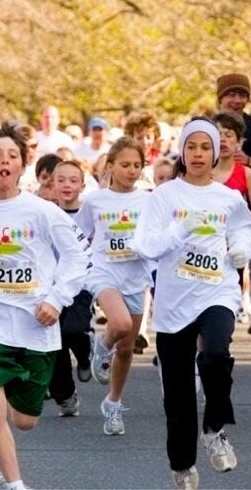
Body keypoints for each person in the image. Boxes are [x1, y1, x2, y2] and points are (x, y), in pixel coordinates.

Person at [0, 123, 89, 490]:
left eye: (12, 156)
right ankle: (15, 485)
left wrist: (57, 300)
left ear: (22, 166)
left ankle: (11, 388)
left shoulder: (42, 212)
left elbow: (76, 259)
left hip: (35, 324)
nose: (4, 161)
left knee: (25, 420)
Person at [131, 118, 251, 490]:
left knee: (216, 355)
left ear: (216, 152)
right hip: (173, 302)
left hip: (217, 292)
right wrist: (180, 228)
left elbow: (242, 226)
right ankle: (182, 465)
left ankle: (215, 429)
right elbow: (145, 245)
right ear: (182, 152)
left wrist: (241, 248)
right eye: (191, 146)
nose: (198, 153)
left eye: (205, 147)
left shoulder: (229, 198)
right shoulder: (164, 196)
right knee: (179, 394)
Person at [81, 137, 153, 435]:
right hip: (104, 273)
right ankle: (101, 345)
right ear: (110, 166)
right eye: (125, 165)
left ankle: (113, 403)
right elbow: (79, 236)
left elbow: (156, 235)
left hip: (136, 277)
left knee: (126, 350)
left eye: (137, 165)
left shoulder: (148, 200)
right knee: (120, 324)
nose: (131, 171)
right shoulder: (95, 201)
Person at [211, 112, 251, 335]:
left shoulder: (246, 174)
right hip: (202, 249)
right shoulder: (199, 172)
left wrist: (235, 218)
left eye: (228, 135)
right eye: (217, 134)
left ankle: (217, 352)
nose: (223, 140)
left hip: (232, 255)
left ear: (239, 142)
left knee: (222, 313)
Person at [46, 159, 95, 417]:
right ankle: (65, 395)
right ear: (52, 185)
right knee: (53, 341)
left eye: (73, 180)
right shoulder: (44, 214)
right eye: (61, 180)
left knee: (72, 330)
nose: (67, 185)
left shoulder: (89, 214)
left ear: (82, 185)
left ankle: (86, 353)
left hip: (81, 285)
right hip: (51, 288)